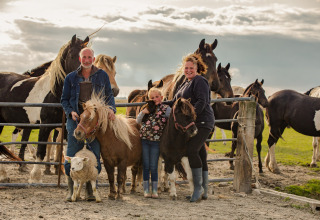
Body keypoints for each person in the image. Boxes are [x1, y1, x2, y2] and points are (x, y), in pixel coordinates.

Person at [61, 47, 116, 202]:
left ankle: (91, 190)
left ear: (93, 59)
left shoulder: (102, 75)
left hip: (94, 121)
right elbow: (64, 99)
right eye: (84, 57)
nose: (86, 60)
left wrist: (111, 109)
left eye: (89, 57)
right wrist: (71, 111)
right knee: (72, 154)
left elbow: (108, 95)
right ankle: (71, 189)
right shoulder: (71, 77)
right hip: (76, 119)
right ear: (80, 59)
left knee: (95, 155)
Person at [167, 53, 214, 202]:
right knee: (200, 154)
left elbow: (202, 101)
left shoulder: (200, 81)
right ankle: (204, 191)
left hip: (203, 121)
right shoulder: (184, 83)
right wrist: (159, 104)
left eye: (191, 68)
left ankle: (198, 189)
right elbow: (174, 102)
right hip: (192, 123)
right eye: (186, 68)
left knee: (192, 150)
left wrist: (191, 116)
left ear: (196, 68)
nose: (188, 70)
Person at [136, 87, 171, 198]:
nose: (155, 99)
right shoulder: (147, 108)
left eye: (157, 97)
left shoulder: (166, 109)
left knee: (153, 165)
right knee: (146, 165)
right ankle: (146, 190)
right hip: (145, 140)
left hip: (156, 141)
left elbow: (171, 121)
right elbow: (138, 121)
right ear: (149, 98)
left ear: (161, 98)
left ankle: (155, 190)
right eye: (152, 97)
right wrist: (143, 112)